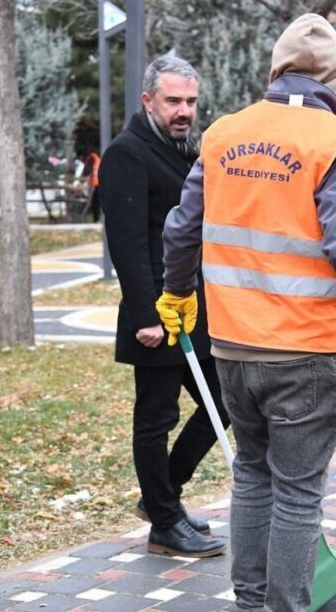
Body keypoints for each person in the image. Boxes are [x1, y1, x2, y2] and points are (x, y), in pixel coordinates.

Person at [156, 14, 336, 611]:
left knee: (252, 475)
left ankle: (251, 604)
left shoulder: (221, 134)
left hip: (233, 348)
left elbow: (180, 229)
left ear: (275, 70)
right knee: (297, 495)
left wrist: (177, 292)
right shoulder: (332, 141)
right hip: (303, 350)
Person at [98, 55, 229, 559]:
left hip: (191, 308)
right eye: (173, 101)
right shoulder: (128, 154)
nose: (184, 111)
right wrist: (145, 318)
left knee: (222, 401)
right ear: (147, 100)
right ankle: (164, 522)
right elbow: (127, 245)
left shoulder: (181, 149)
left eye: (191, 101)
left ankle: (162, 499)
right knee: (155, 417)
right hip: (155, 311)